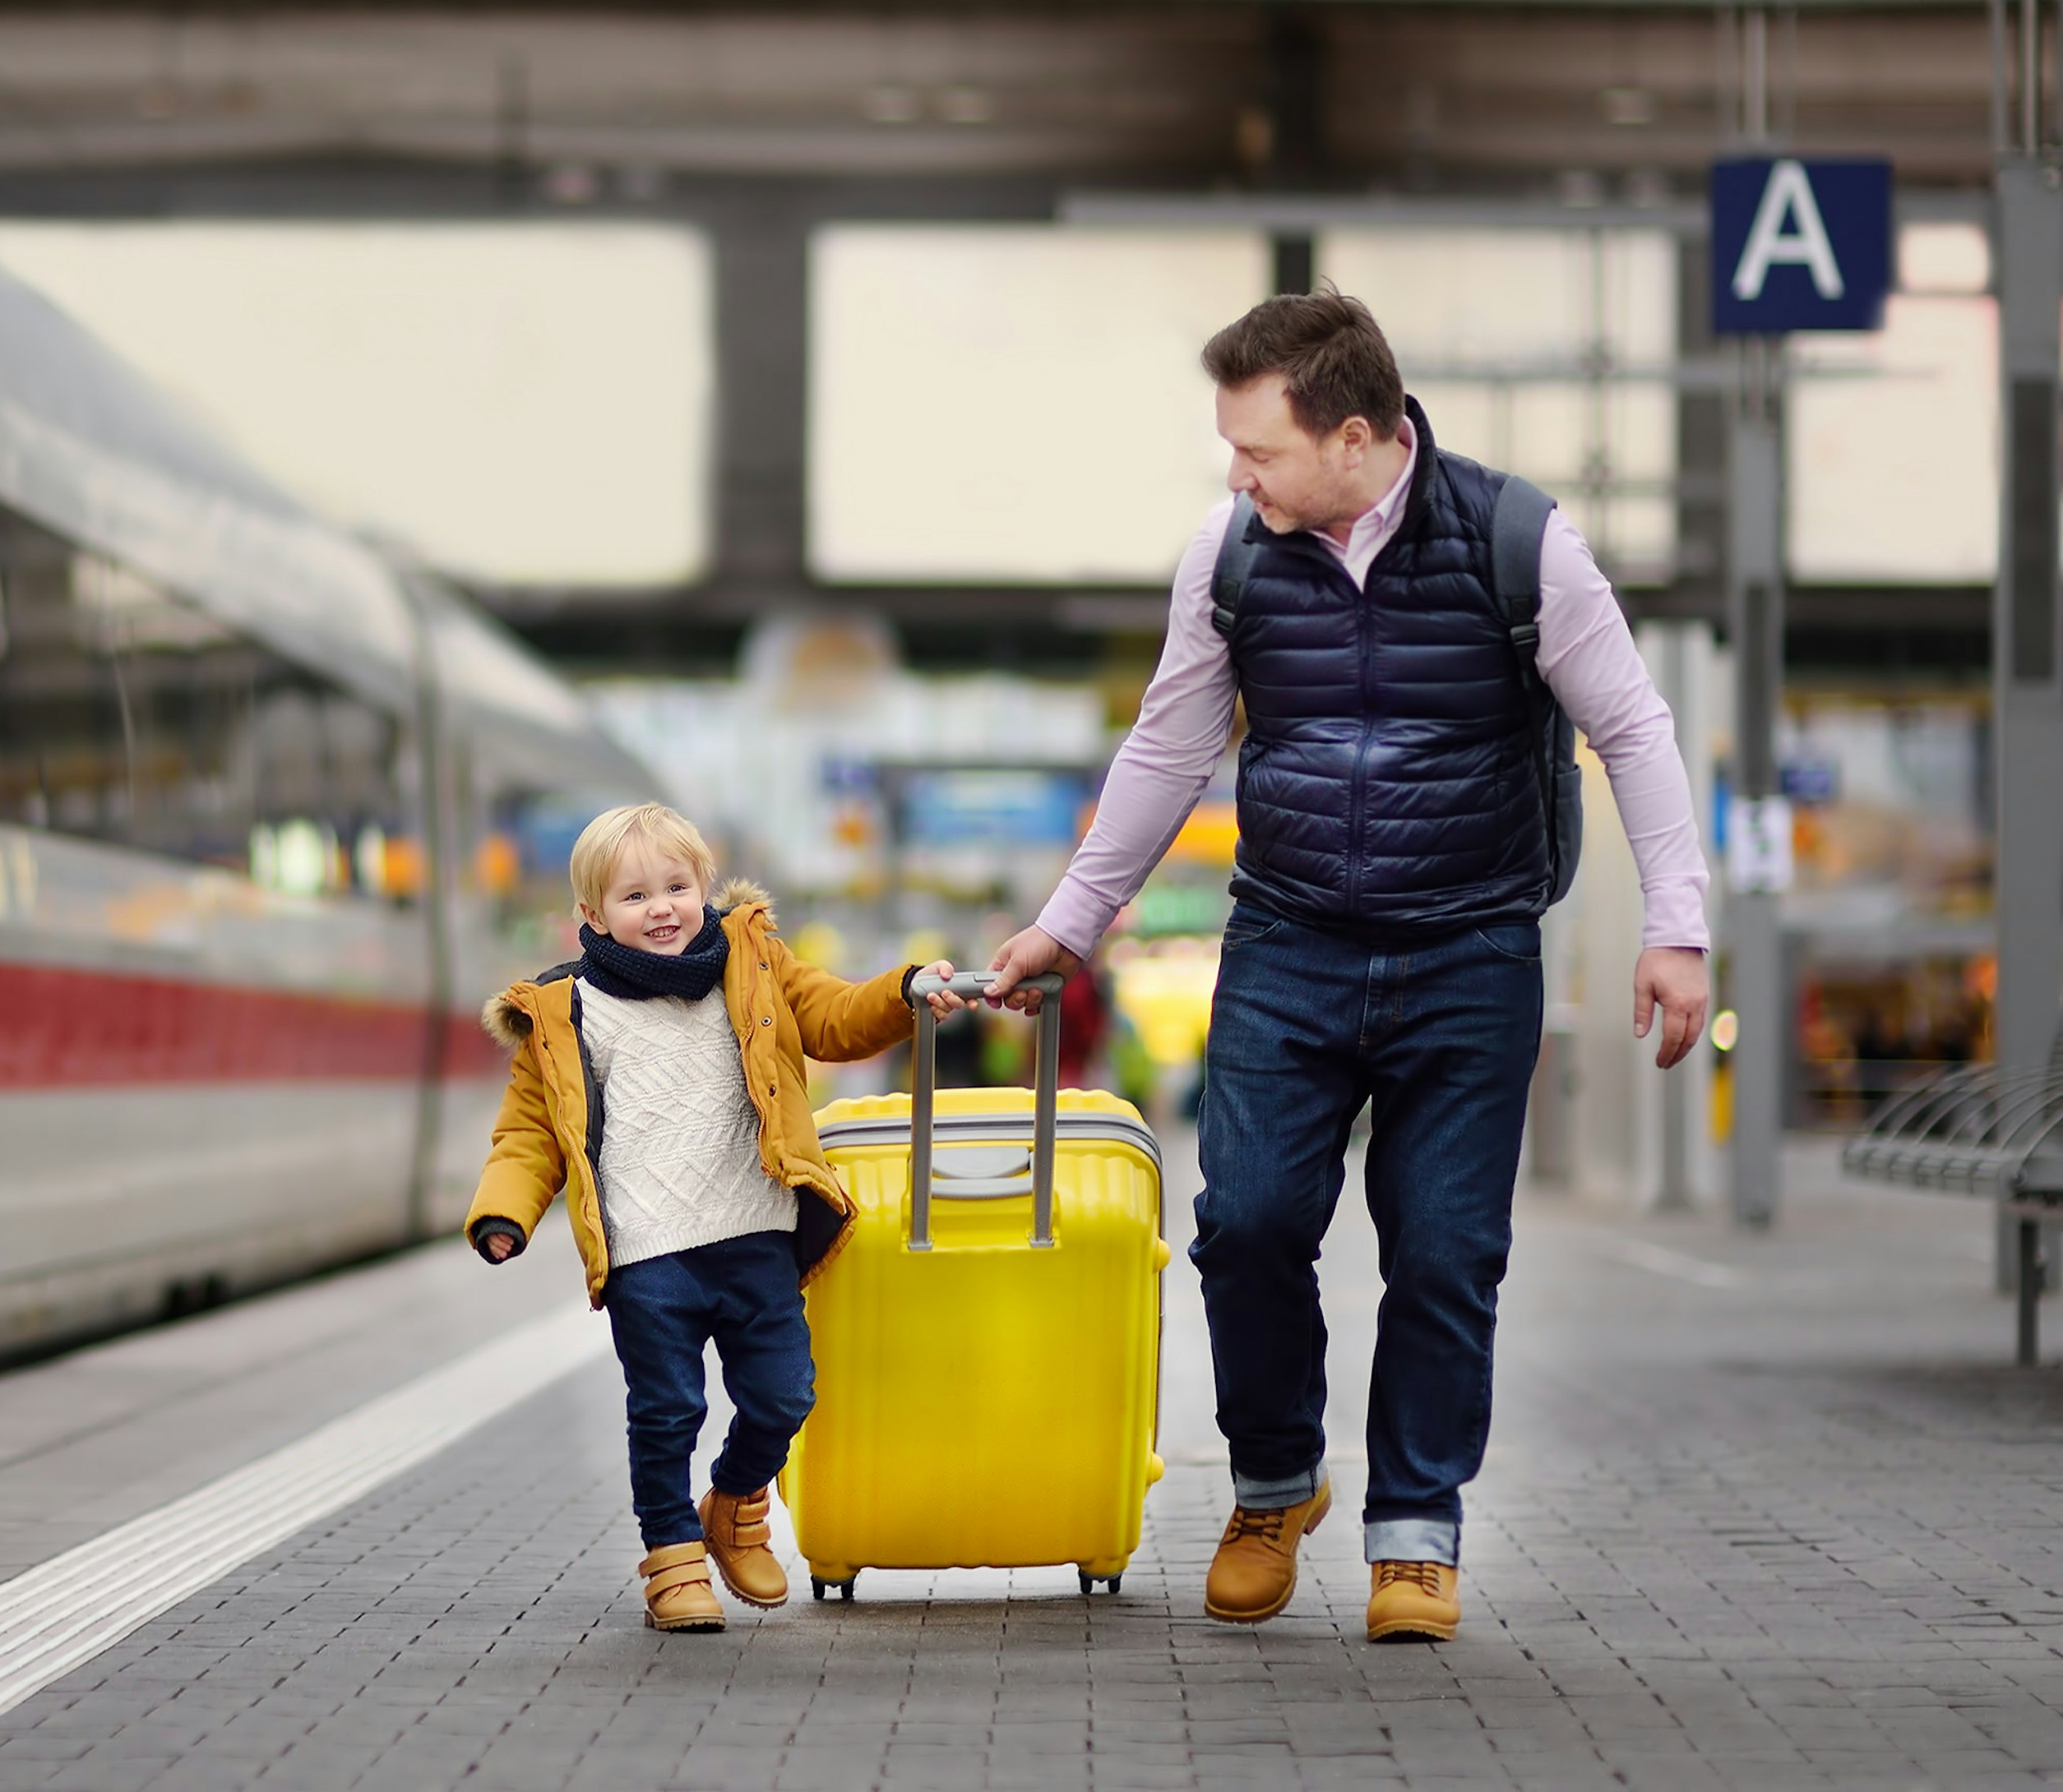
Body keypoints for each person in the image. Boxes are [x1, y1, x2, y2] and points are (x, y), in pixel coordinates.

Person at [988, 289, 1709, 1646]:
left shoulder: (1519, 541)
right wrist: (1067, 923)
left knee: (1445, 1251)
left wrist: (1677, 925)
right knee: (1246, 1222)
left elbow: (1635, 726)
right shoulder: (1231, 554)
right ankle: (1274, 1481)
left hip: (1471, 944)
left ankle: (1416, 1527)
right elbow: (1165, 748)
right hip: (1289, 940)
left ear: (1359, 435)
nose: (1234, 473)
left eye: (1257, 449)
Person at [467, 801, 966, 1633]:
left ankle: (734, 1507)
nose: (661, 907)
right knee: (667, 1411)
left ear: (705, 887)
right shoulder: (565, 1015)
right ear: (591, 916)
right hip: (646, 1257)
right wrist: (504, 1214)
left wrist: (905, 990)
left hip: (755, 1235)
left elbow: (837, 1017)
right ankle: (671, 1560)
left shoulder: (756, 964)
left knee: (784, 1395)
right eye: (634, 897)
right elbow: (526, 1136)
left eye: (676, 886)